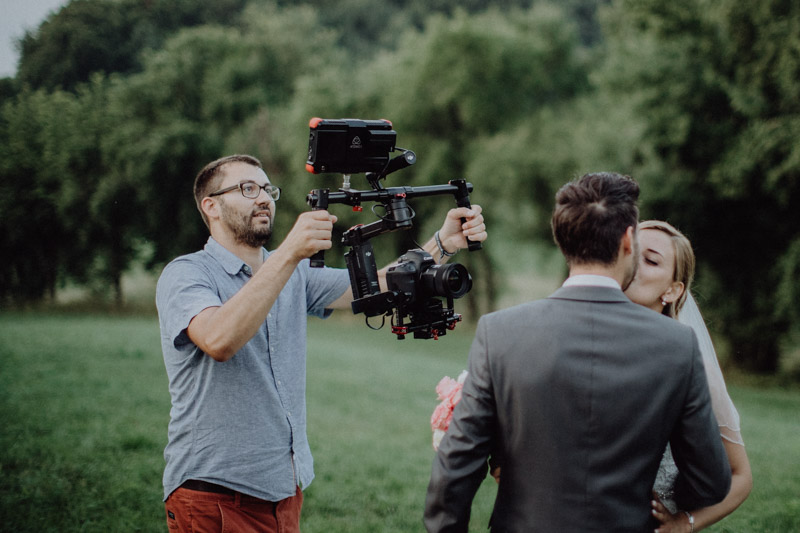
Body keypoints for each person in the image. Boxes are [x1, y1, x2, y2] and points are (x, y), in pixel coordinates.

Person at [156, 154, 487, 532]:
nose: (264, 197)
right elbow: (218, 339)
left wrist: (443, 243)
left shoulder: (291, 274)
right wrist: (289, 252)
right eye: (248, 188)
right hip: (214, 494)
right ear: (211, 206)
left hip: (282, 492)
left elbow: (377, 284)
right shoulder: (186, 274)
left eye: (267, 189)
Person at [423, 172, 731, 532]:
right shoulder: (677, 344)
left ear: (562, 239)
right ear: (628, 240)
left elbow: (454, 472)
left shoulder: (501, 332)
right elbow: (711, 481)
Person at [624, 220, 752, 533]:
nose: (634, 265)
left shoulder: (694, 367)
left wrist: (685, 523)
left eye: (651, 260)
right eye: (629, 252)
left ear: (672, 290)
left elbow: (741, 475)